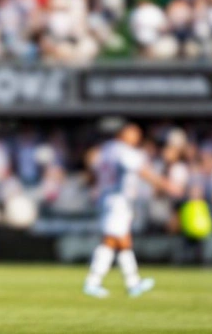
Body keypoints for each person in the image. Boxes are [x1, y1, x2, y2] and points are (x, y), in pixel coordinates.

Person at [83, 122, 181, 299]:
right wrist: (166, 185)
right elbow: (142, 171)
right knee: (112, 240)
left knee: (121, 241)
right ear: (123, 134)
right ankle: (94, 281)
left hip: (109, 197)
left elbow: (92, 165)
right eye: (133, 133)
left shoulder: (105, 149)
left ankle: (132, 282)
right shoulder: (124, 152)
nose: (137, 137)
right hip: (118, 199)